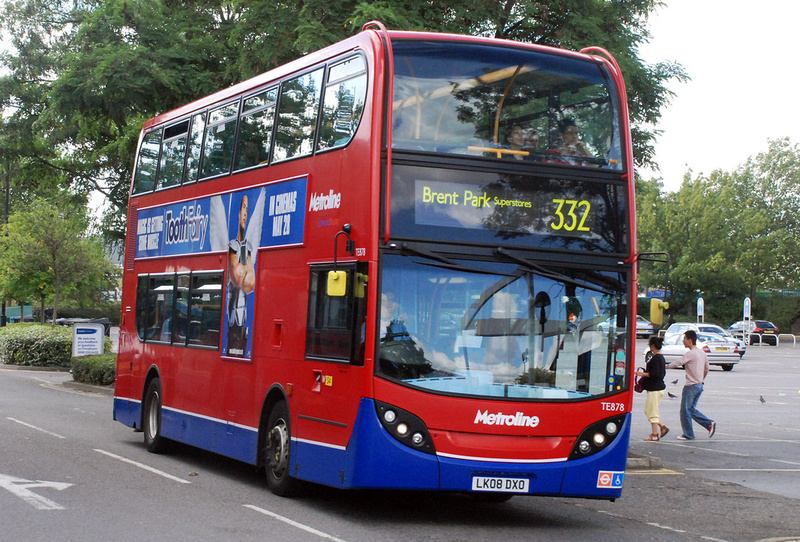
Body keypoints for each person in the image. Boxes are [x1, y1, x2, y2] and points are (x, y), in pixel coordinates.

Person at [667, 330, 716, 440]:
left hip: (691, 386)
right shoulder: (702, 353)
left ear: (690, 340)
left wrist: (667, 366)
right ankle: (709, 424)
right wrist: (701, 379)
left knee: (685, 411)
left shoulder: (690, 353)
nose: (683, 341)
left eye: (684, 339)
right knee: (691, 409)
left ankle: (688, 434)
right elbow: (706, 368)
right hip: (699, 385)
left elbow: (679, 362)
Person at [226, 194, 256, 357]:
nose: (245, 213)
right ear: (238, 214)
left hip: (242, 319)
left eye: (247, 209)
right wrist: (244, 269)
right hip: (231, 322)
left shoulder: (248, 247)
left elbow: (250, 284)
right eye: (243, 208)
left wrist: (242, 267)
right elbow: (237, 279)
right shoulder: (232, 245)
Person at [636, 336, 669, 441]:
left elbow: (654, 374)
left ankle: (654, 435)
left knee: (652, 412)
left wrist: (642, 374)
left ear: (653, 346)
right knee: (649, 410)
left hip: (655, 388)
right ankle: (663, 427)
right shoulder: (660, 357)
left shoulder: (656, 359)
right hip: (657, 388)